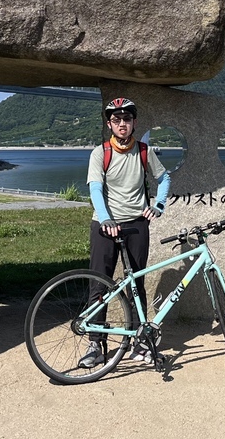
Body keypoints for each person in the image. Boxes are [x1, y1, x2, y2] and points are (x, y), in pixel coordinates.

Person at [78, 97, 170, 368]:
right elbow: (95, 187)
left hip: (136, 225)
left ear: (134, 123)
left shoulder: (144, 151)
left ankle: (139, 340)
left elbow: (164, 178)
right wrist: (105, 218)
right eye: (116, 120)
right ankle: (96, 341)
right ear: (109, 124)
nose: (122, 124)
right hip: (104, 226)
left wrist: (159, 205)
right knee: (99, 283)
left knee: (136, 283)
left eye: (127, 119)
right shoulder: (100, 153)